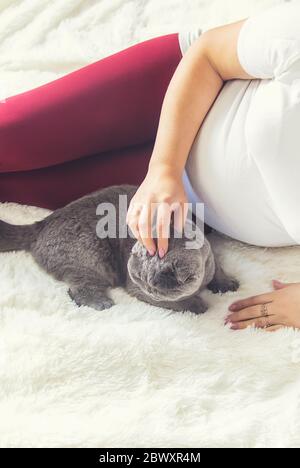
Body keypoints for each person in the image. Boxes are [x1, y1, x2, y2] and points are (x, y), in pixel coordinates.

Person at [1, 2, 300, 331]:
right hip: (173, 99)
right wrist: (163, 170)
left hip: (177, 213)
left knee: (12, 188)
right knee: (7, 135)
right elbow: (209, 56)